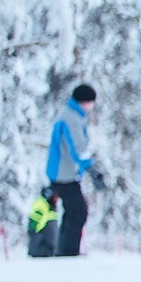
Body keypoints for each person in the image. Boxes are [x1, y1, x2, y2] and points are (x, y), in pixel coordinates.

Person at [43, 83, 96, 257]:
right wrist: (90, 169)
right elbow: (78, 148)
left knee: (72, 211)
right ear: (84, 101)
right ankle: (68, 252)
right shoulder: (71, 118)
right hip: (64, 174)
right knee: (79, 211)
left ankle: (64, 251)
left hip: (62, 172)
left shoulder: (70, 114)